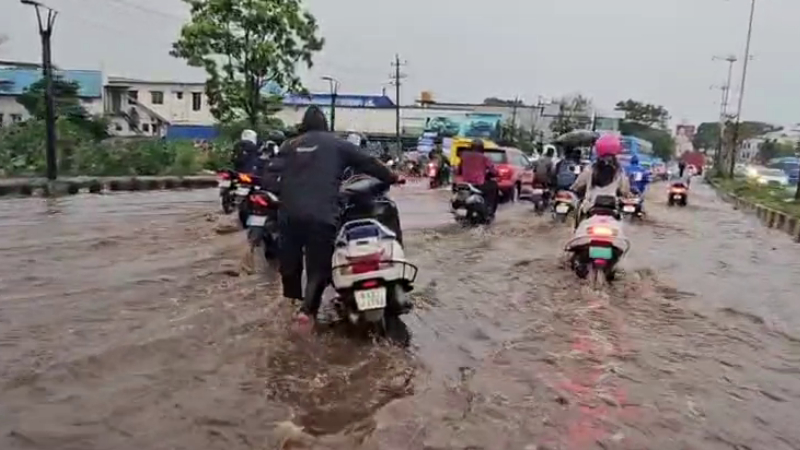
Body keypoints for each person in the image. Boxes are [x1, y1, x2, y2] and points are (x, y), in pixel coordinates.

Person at [278, 106, 400, 332]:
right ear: (325, 125)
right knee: (318, 267)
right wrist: (392, 177)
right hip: (322, 214)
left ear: (303, 125)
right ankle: (307, 311)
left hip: (288, 214)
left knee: (290, 263)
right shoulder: (338, 144)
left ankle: (292, 303)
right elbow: (370, 164)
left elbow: (271, 174)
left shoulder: (288, 146)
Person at [570, 134, 631, 225]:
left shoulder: (590, 168)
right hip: (612, 209)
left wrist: (574, 189)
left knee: (578, 226)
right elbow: (625, 190)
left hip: (590, 207)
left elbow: (577, 185)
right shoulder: (619, 171)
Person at [456, 138, 499, 219]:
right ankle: (490, 211)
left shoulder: (464, 156)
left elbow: (459, 171)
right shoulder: (484, 158)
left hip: (465, 184)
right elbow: (494, 171)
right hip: (478, 184)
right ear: (482, 148)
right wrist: (494, 173)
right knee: (494, 186)